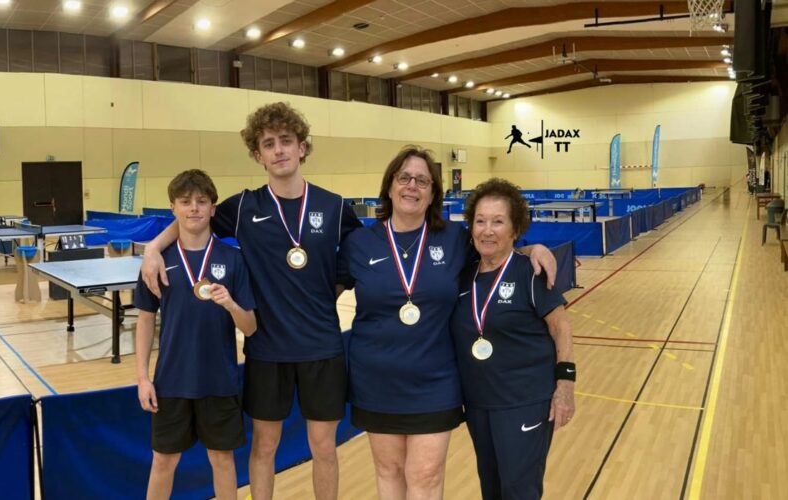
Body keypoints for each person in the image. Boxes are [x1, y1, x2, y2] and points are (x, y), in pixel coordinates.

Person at [140, 102, 362, 500]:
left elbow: (355, 257)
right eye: (268, 144)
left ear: (303, 147)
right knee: (264, 447)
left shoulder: (333, 206)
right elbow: (194, 216)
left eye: (286, 141)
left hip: (322, 347)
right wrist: (153, 248)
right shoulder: (244, 207)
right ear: (258, 155)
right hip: (267, 349)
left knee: (324, 448)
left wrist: (326, 294)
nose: (279, 150)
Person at [337, 147, 558, 499]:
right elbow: (322, 294)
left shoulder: (454, 239)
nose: (412, 186)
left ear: (433, 193)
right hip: (376, 380)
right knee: (388, 471)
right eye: (404, 178)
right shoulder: (359, 244)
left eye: (422, 180)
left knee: (425, 475)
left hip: (435, 381)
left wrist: (533, 249)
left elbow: (497, 247)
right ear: (390, 185)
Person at [134, 169, 257, 500]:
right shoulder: (156, 262)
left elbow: (250, 327)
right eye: (185, 202)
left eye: (202, 202)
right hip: (171, 382)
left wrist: (231, 304)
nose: (194, 209)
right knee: (163, 461)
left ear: (213, 209)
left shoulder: (233, 259)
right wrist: (143, 378)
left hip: (220, 381)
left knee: (222, 460)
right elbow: (145, 321)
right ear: (173, 208)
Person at [450, 178, 576, 499]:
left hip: (525, 404)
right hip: (478, 405)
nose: (487, 230)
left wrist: (565, 387)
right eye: (480, 221)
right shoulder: (463, 275)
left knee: (519, 490)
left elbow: (561, 328)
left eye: (498, 221)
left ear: (515, 228)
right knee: (491, 488)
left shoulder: (530, 273)